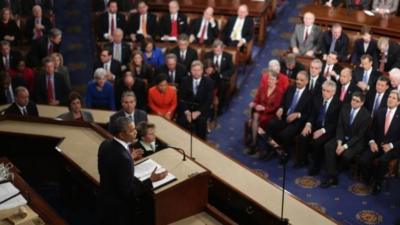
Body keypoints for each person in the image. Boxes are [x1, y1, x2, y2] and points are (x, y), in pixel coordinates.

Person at [97, 117, 167, 225]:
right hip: (119, 209)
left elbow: (109, 168)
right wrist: (151, 180)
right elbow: (129, 192)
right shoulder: (124, 159)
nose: (136, 132)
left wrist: (129, 157)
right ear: (121, 134)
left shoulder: (105, 144)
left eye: (135, 129)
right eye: (131, 130)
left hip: (104, 198)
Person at [321, 92, 371, 188]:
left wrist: (344, 147)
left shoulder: (366, 115)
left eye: (357, 101)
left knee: (346, 155)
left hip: (355, 141)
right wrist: (339, 143)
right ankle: (332, 176)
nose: (354, 102)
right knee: (328, 146)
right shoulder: (345, 107)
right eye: (353, 100)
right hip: (343, 137)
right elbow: (340, 126)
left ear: (362, 103)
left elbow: (359, 135)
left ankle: (336, 170)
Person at [360, 90, 400, 195]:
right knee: (364, 159)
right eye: (389, 97)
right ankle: (369, 179)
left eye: (393, 98)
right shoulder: (380, 111)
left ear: (398, 102)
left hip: (392, 148)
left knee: (383, 161)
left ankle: (377, 184)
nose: (390, 99)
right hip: (377, 144)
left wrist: (391, 145)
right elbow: (371, 130)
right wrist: (372, 142)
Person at [265, 71, 312, 160]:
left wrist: (298, 115)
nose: (298, 81)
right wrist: (281, 108)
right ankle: (271, 149)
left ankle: (284, 154)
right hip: (284, 117)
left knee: (284, 134)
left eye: (301, 80)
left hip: (297, 122)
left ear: (307, 82)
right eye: (297, 79)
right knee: (271, 124)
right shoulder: (290, 88)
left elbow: (309, 114)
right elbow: (283, 102)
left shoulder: (309, 95)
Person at [297, 80, 341, 174]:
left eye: (328, 91)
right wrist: (308, 124)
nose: (324, 93)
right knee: (303, 136)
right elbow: (312, 115)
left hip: (328, 130)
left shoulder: (338, 104)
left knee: (318, 142)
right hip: (316, 125)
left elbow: (335, 123)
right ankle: (302, 160)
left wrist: (322, 131)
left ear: (333, 92)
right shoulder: (317, 99)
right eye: (323, 90)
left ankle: (316, 166)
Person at [246, 70, 285, 156]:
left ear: (277, 81)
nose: (270, 81)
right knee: (255, 115)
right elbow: (256, 100)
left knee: (256, 118)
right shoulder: (262, 87)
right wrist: (255, 105)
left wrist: (264, 108)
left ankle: (254, 143)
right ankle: (254, 143)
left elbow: (276, 107)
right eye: (269, 79)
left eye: (273, 79)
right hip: (259, 113)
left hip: (270, 115)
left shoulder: (279, 92)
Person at [178, 60, 214, 140]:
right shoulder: (184, 80)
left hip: (201, 109)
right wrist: (187, 112)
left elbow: (209, 100)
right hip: (187, 109)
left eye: (198, 70)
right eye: (194, 70)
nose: (196, 72)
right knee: (181, 121)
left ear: (202, 71)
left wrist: (198, 112)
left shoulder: (209, 82)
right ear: (191, 71)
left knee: (201, 122)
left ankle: (201, 142)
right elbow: (181, 98)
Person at [203, 39, 234, 112]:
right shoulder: (208, 55)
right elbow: (204, 67)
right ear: (213, 48)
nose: (217, 51)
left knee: (222, 86)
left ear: (222, 49)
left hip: (221, 78)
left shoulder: (228, 56)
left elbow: (231, 69)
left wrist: (221, 75)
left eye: (219, 49)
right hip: (209, 77)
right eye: (215, 49)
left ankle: (219, 107)